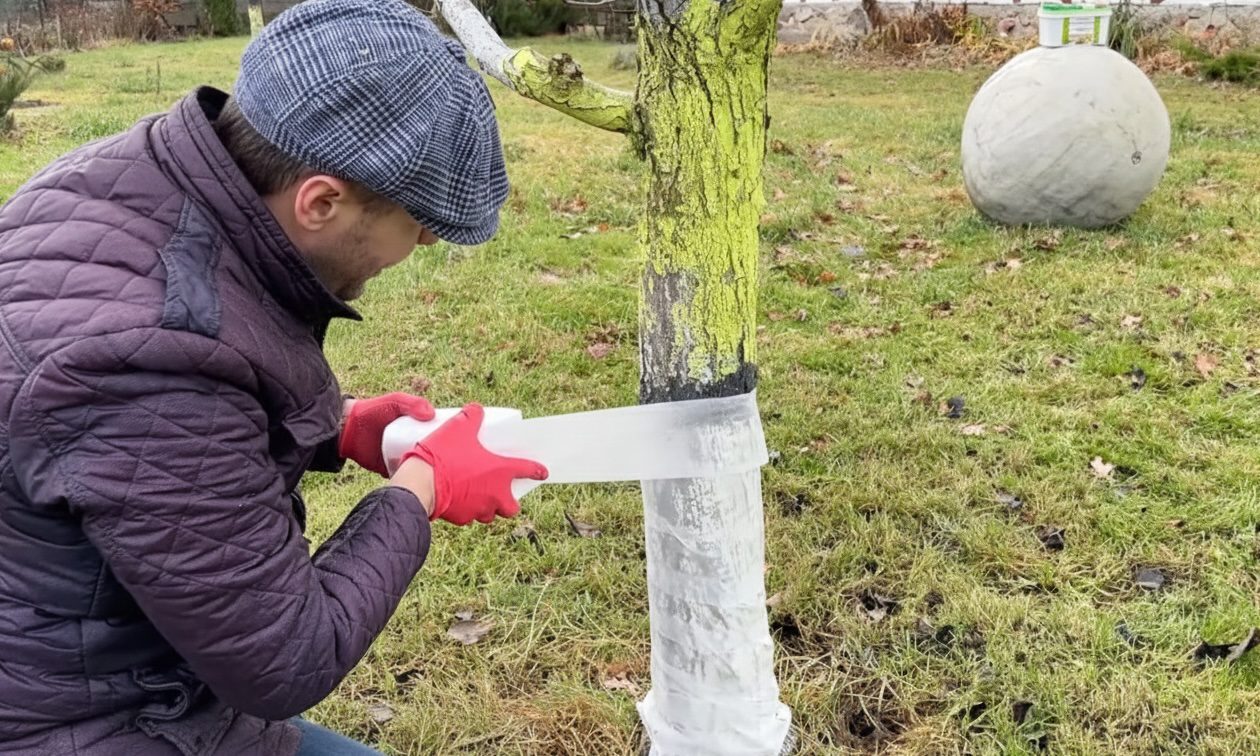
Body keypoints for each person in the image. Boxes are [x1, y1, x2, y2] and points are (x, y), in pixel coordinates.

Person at [0, 0, 546, 753]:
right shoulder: (148, 356)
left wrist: (336, 427)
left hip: (84, 658)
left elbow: (151, 442)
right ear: (320, 201)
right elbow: (286, 659)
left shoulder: (124, 181)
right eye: (418, 226)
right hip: (81, 724)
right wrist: (422, 490)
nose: (421, 244)